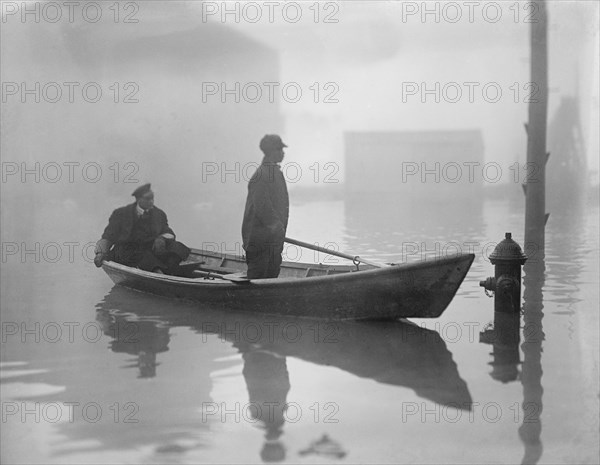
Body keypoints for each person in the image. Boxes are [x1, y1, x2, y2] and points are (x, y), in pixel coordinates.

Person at [94, 183, 190, 274]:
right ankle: (159, 273)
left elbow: (168, 232)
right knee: (145, 257)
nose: (151, 201)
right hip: (127, 250)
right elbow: (108, 236)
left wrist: (161, 238)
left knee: (177, 247)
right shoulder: (121, 214)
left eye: (152, 198)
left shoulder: (159, 214)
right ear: (138, 199)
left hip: (151, 248)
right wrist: (100, 253)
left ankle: (171, 271)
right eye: (148, 199)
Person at [242, 134, 289, 279]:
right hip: (259, 240)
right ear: (272, 152)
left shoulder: (275, 173)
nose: (283, 152)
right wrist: (275, 225)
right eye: (280, 149)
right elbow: (262, 206)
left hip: (274, 240)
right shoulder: (261, 176)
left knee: (271, 275)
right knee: (258, 277)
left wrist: (279, 230)